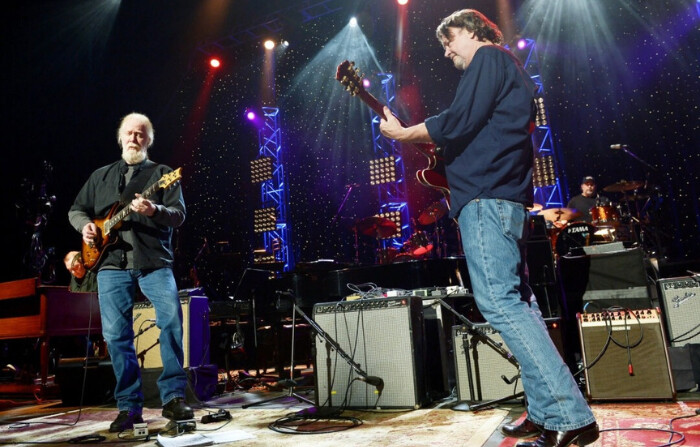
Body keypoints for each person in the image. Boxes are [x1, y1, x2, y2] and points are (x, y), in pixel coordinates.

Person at [379, 9, 598, 447]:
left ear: (475, 31)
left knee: (500, 303)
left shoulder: (489, 59)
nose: (446, 49)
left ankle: (571, 416)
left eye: (451, 38)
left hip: (486, 200)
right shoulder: (505, 70)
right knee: (520, 304)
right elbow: (472, 128)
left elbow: (458, 119)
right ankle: (543, 410)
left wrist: (403, 135)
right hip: (502, 201)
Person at [68, 112, 192, 432]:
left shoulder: (164, 174)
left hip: (153, 262)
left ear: (149, 141)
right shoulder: (100, 177)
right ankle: (128, 406)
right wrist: (86, 228)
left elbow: (178, 215)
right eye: (129, 133)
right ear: (120, 138)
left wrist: (154, 210)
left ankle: (174, 397)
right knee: (116, 336)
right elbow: (76, 210)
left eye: (141, 134)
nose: (134, 138)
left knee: (170, 323)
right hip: (110, 266)